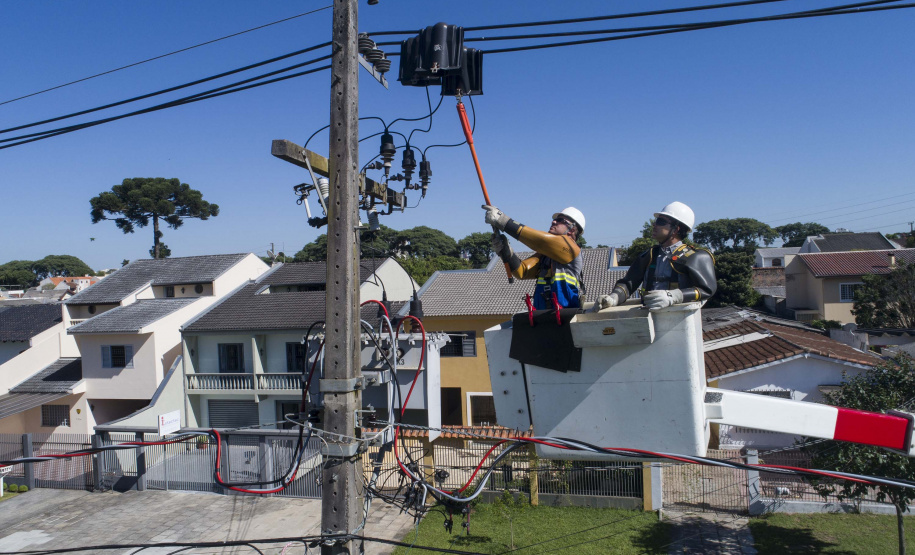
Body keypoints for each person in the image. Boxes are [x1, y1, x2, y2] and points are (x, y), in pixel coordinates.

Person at [594, 201, 716, 311]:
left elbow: (706, 290)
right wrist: (613, 297)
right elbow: (628, 283)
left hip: (680, 319)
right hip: (649, 317)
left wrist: (674, 296)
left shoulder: (694, 257)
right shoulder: (649, 255)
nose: (654, 225)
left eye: (660, 222)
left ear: (676, 229)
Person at [485, 205, 585, 310]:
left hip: (565, 315)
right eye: (555, 219)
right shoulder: (546, 255)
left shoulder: (573, 249)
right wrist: (506, 252)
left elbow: (542, 241)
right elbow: (522, 271)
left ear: (572, 229)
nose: (554, 222)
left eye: (560, 220)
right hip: (543, 315)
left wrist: (503, 220)